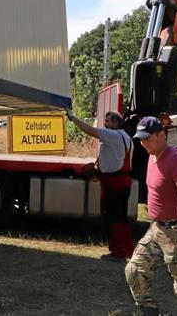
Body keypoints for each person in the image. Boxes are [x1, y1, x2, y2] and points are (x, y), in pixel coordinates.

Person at [125, 116, 177, 315]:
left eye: (148, 139)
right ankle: (150, 312)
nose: (144, 144)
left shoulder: (175, 159)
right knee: (134, 271)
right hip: (157, 229)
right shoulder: (152, 156)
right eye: (141, 140)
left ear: (162, 135)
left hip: (176, 232)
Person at [66, 108, 135, 261]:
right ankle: (126, 250)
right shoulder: (127, 138)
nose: (105, 124)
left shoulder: (112, 135)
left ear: (116, 123)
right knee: (121, 218)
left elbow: (89, 130)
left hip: (114, 183)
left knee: (113, 218)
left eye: (108, 121)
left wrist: (72, 117)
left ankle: (118, 253)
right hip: (122, 182)